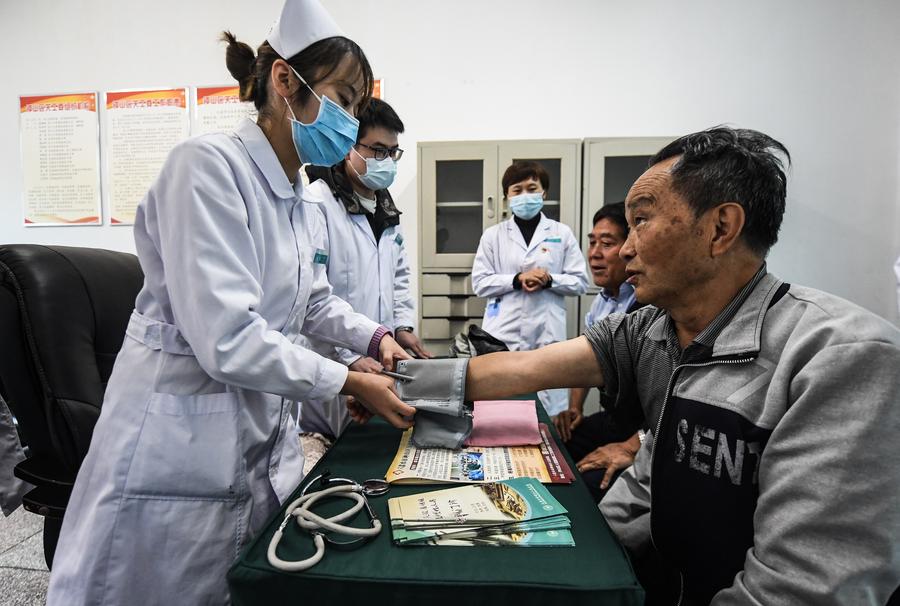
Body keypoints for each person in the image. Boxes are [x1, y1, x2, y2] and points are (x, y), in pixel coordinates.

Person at [46, 1, 416, 603]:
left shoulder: (299, 196)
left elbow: (313, 301)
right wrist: (347, 380)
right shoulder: (208, 169)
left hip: (248, 431)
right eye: (343, 99)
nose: (350, 121)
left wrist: (375, 339)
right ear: (284, 82)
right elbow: (227, 338)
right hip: (178, 445)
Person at [455, 127, 900, 604]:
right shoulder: (656, 330)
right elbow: (529, 371)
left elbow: (802, 589)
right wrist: (590, 569)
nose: (625, 249)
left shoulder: (842, 359)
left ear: (720, 229)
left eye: (641, 221)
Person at [300, 98, 431, 437]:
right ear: (348, 148)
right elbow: (309, 302)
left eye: (393, 152)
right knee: (333, 449)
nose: (386, 161)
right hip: (332, 365)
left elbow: (399, 278)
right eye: (377, 150)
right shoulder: (316, 206)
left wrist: (401, 326)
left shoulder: (386, 209)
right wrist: (348, 358)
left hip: (380, 361)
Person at [470, 161, 589, 416]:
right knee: (500, 407)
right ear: (507, 197)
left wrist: (550, 280)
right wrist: (516, 279)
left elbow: (581, 281)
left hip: (547, 331)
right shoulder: (493, 235)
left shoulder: (561, 233)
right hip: (504, 331)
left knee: (546, 413)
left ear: (543, 192)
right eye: (517, 189)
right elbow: (479, 282)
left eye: (532, 188)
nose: (525, 195)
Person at [552, 202, 645, 502]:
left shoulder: (648, 305)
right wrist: (575, 407)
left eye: (607, 244)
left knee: (584, 486)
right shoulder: (603, 301)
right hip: (614, 417)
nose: (594, 253)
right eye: (592, 242)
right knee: (552, 445)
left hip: (644, 429)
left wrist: (633, 446)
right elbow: (586, 357)